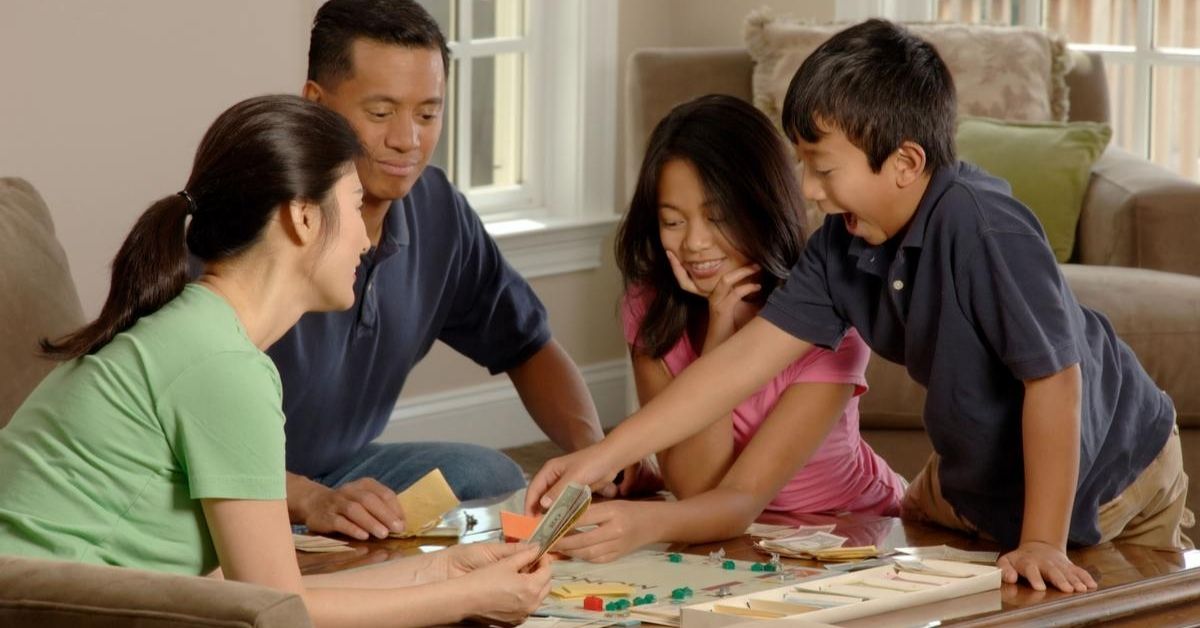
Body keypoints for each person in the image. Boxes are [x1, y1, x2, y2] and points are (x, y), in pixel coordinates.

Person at [527, 20, 1192, 593]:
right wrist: (600, 457)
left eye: (822, 168)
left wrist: (1043, 540)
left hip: (1109, 468)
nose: (810, 192)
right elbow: (732, 370)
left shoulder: (985, 227)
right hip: (976, 478)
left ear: (904, 162)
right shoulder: (840, 250)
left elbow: (1055, 381)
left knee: (1107, 603)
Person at [0, 95, 551, 627]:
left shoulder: (197, 332)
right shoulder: (223, 365)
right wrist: (463, 600)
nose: (365, 237)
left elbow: (259, 591)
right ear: (303, 219)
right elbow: (279, 612)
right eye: (356, 205)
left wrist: (444, 571)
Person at [272, 0, 658, 543]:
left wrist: (592, 454)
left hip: (340, 468)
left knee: (489, 475)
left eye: (428, 114)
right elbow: (183, 435)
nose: (408, 140)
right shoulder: (261, 219)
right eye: (381, 113)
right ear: (315, 104)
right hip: (232, 484)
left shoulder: (437, 210)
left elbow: (527, 344)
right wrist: (308, 498)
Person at [553, 95, 905, 563]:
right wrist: (719, 329)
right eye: (673, 221)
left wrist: (644, 520)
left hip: (849, 528)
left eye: (718, 217)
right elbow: (695, 485)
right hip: (733, 538)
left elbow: (737, 497)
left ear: (763, 206)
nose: (695, 243)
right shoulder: (651, 308)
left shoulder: (830, 319)